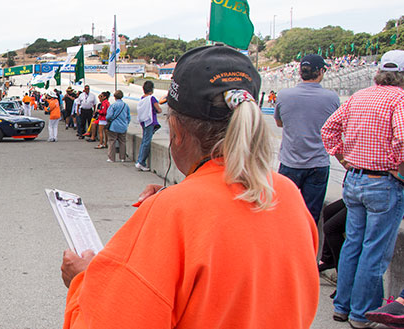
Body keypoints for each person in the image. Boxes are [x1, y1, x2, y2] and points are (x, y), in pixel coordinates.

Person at [60, 45, 319, 328]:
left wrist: (81, 281)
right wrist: (182, 197)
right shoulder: (286, 192)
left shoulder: (172, 213)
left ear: (179, 132)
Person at [321, 49, 404, 329]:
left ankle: (342, 306)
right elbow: (402, 140)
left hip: (354, 180)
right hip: (383, 182)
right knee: (374, 250)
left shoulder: (359, 96)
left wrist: (343, 157)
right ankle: (361, 313)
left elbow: (328, 129)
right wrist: (398, 168)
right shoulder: (400, 99)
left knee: (354, 245)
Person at [274, 54, 341, 223]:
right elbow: (337, 127)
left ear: (300, 72)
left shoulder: (283, 95)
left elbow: (279, 122)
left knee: (282, 211)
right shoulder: (331, 97)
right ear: (320, 71)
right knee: (311, 215)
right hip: (318, 163)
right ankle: (308, 246)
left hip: (290, 162)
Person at [135, 81, 162, 172]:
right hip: (150, 122)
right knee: (147, 141)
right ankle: (141, 162)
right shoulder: (152, 98)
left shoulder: (142, 98)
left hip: (144, 122)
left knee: (144, 141)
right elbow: (158, 109)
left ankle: (140, 160)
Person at [104, 90, 130, 163]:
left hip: (114, 126)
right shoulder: (125, 105)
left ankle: (111, 158)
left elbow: (108, 116)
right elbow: (128, 117)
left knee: (112, 141)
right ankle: (122, 158)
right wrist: (126, 123)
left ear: (115, 97)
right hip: (123, 126)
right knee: (122, 142)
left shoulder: (113, 105)